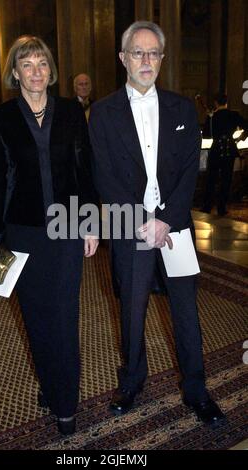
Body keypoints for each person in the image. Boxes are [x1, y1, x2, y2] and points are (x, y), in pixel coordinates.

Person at [89, 21, 225, 426]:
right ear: (123, 58)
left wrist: (165, 219)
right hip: (131, 228)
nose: (146, 60)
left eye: (153, 53)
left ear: (162, 59)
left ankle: (197, 389)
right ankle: (131, 381)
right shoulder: (103, 112)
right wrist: (139, 221)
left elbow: (188, 171)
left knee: (186, 312)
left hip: (175, 230)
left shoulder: (183, 108)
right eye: (138, 52)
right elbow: (104, 175)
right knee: (132, 311)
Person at [0, 35, 99, 436]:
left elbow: (85, 171)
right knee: (36, 318)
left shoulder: (70, 112)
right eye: (27, 64)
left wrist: (91, 224)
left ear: (51, 71)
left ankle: (65, 400)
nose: (36, 71)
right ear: (15, 73)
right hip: (22, 233)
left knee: (65, 317)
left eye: (42, 64)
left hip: (67, 230)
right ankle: (51, 385)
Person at [201, 93, 248, 216]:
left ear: (216, 102)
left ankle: (207, 206)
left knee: (211, 178)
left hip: (216, 149)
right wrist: (240, 138)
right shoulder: (234, 115)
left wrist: (210, 119)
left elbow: (207, 134)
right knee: (226, 179)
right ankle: (222, 207)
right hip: (229, 149)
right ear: (227, 102)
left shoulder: (213, 116)